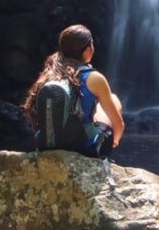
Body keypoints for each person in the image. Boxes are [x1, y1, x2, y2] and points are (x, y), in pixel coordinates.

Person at [22, 24, 124, 157]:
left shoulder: (50, 74)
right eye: (92, 44)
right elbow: (118, 124)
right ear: (87, 50)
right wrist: (113, 141)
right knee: (114, 99)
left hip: (46, 146)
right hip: (84, 148)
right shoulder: (94, 78)